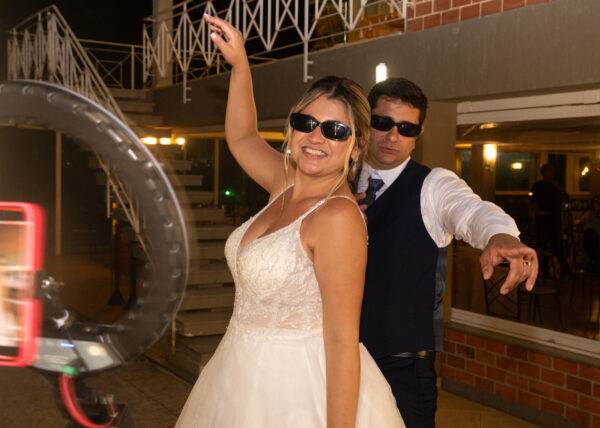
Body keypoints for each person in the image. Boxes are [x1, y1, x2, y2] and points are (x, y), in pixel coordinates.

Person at [175, 15, 404, 427]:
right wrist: (241, 65)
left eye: (335, 130)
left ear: (356, 147)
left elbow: (342, 341)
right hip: (238, 373)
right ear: (292, 127)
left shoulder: (337, 216)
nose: (316, 137)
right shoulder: (286, 181)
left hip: (298, 390)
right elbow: (242, 137)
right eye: (306, 123)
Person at [354, 77, 538, 428]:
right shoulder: (338, 181)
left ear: (418, 134)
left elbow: (471, 211)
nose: (393, 136)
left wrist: (499, 236)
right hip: (334, 356)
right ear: (366, 122)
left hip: (402, 366)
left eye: (406, 128)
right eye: (383, 123)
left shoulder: (433, 185)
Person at [530, 163, 570, 275]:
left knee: (557, 243)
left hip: (555, 218)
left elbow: (566, 197)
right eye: (549, 170)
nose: (552, 173)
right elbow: (531, 200)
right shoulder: (538, 185)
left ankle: (564, 268)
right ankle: (544, 269)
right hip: (542, 219)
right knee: (542, 243)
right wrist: (538, 211)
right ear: (543, 172)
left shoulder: (556, 185)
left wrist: (556, 185)